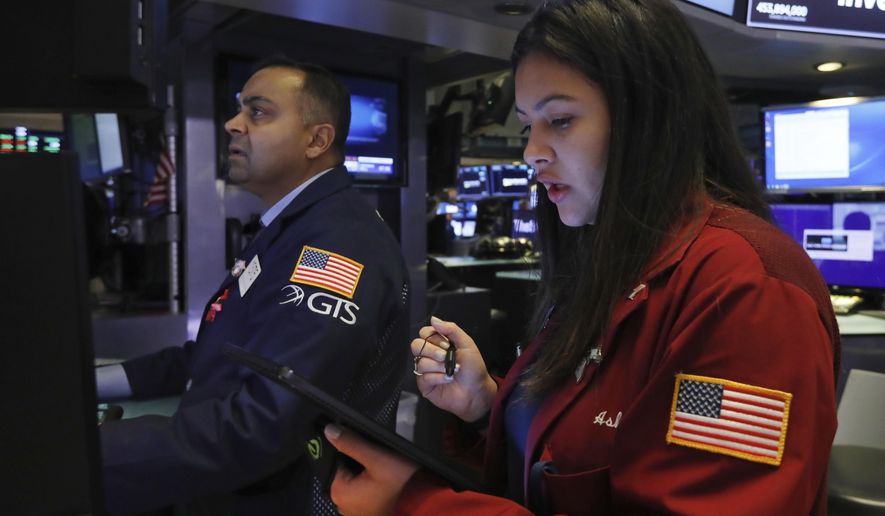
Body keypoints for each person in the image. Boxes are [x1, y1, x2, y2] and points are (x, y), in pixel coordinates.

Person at [323, 0, 840, 514]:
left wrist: (416, 505)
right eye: (528, 125)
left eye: (561, 120)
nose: (531, 152)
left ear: (650, 117)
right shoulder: (614, 261)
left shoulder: (746, 293)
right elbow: (575, 455)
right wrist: (489, 405)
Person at [95, 56, 411, 515]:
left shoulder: (338, 244)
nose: (231, 124)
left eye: (257, 112)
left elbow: (261, 425)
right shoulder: (290, 229)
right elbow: (215, 351)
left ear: (316, 140)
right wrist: (93, 384)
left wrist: (88, 450)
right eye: (239, 110)